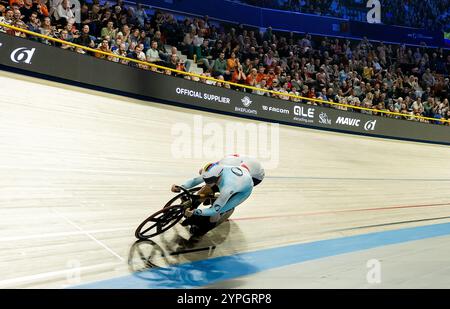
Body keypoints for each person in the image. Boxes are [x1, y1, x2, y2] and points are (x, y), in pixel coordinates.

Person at [171, 155, 264, 236]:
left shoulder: (229, 186)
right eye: (206, 179)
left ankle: (204, 229)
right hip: (239, 162)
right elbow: (196, 180)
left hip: (254, 177)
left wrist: (196, 212)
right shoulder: (215, 168)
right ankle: (195, 203)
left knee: (219, 210)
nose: (207, 182)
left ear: (218, 176)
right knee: (206, 188)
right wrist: (181, 187)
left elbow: (214, 210)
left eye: (210, 180)